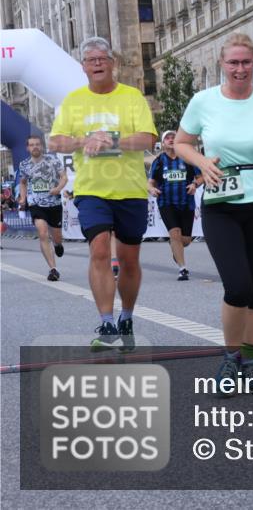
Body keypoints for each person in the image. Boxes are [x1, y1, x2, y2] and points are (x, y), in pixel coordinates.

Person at [174, 33, 253, 394]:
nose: (240, 69)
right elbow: (181, 142)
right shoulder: (203, 101)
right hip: (221, 206)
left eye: (246, 62)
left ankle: (250, 361)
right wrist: (201, 162)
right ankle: (229, 357)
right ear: (222, 65)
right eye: (233, 63)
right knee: (237, 286)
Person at [48, 36, 157, 351]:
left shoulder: (132, 97)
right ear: (83, 67)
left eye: (102, 59)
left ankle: (127, 315)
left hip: (130, 188)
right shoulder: (74, 101)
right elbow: (56, 142)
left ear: (113, 63)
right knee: (99, 250)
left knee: (129, 259)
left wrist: (110, 141)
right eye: (91, 60)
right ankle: (107, 322)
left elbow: (148, 139)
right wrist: (85, 141)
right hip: (92, 189)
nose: (97, 64)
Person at [147, 130, 202, 281]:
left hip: (186, 203)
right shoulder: (158, 161)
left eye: (174, 137)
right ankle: (183, 269)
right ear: (163, 143)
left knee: (185, 240)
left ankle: (176, 249)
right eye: (168, 138)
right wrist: (152, 189)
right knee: (175, 233)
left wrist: (195, 184)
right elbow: (150, 182)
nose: (171, 139)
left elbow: (201, 176)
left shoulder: (187, 158)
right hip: (166, 202)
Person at [18, 135, 67, 281]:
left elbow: (64, 177)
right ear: (28, 148)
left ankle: (58, 244)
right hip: (36, 203)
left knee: (56, 236)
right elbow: (23, 183)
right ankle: (53, 269)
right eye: (32, 145)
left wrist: (58, 188)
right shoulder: (24, 164)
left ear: (42, 146)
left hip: (54, 203)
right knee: (43, 232)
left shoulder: (52, 160)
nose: (35, 147)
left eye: (37, 144)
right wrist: (23, 198)